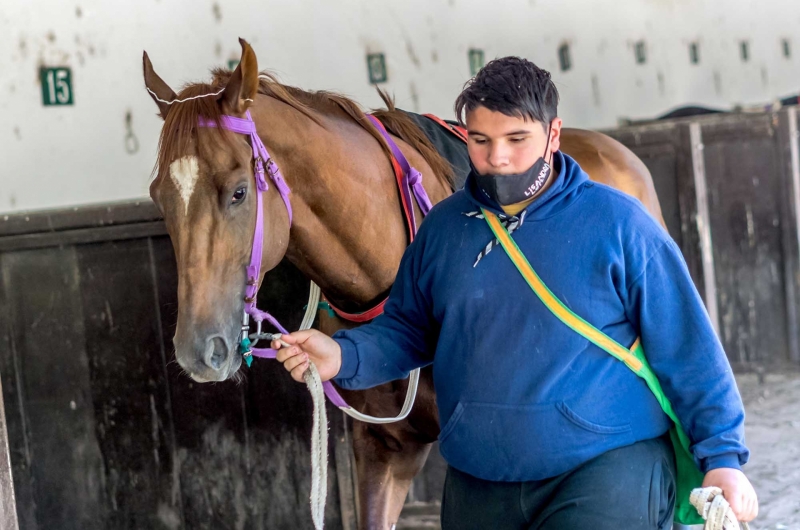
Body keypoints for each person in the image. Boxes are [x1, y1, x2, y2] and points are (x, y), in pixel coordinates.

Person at [272, 57, 758, 529]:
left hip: (606, 468)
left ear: (553, 134)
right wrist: (340, 355)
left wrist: (723, 458)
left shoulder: (619, 222)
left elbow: (687, 344)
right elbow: (409, 329)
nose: (497, 158)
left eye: (516, 139)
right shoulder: (444, 229)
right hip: (480, 477)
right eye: (481, 141)